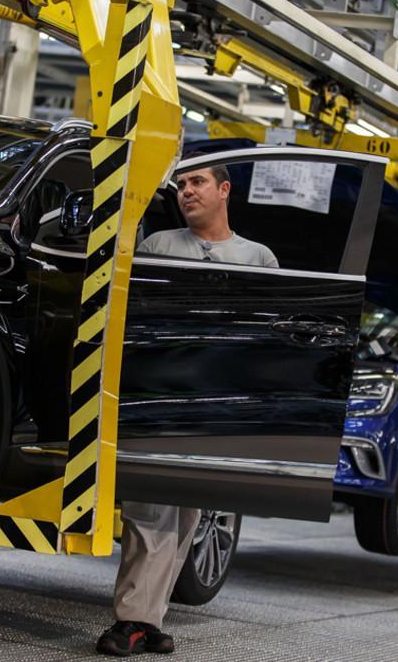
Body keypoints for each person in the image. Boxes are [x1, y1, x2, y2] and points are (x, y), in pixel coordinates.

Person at [96, 158, 278, 656]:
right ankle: (132, 621)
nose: (186, 191)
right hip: (161, 395)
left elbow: (267, 337)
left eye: (197, 182)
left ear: (224, 190)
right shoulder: (158, 247)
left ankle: (151, 622)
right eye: (180, 185)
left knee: (186, 516)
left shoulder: (258, 257)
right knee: (149, 511)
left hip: (214, 405)